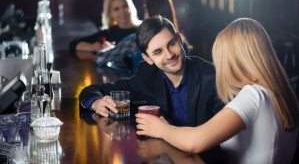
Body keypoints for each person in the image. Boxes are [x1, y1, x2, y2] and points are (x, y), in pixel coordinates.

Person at [135, 18, 299, 163]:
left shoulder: (254, 95)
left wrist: (161, 129)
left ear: (237, 59)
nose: (220, 68)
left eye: (221, 59)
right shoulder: (280, 93)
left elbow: (195, 141)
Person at [79, 16, 224, 127]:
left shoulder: (212, 76)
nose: (169, 55)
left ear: (180, 39)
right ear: (148, 58)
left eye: (172, 44)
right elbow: (92, 90)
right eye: (158, 52)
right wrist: (96, 102)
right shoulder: (147, 75)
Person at [95, 0, 191, 71]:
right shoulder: (183, 43)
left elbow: (100, 59)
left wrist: (106, 48)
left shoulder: (134, 41)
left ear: (148, 14)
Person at [69, 0, 141, 53]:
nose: (122, 12)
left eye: (125, 6)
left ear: (131, 6)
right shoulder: (108, 33)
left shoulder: (144, 28)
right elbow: (74, 44)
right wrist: (93, 47)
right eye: (116, 9)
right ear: (110, 13)